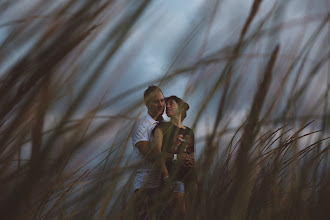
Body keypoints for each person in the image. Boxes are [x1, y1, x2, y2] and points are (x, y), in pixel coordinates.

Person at [152, 95, 197, 219]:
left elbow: (192, 156)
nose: (167, 106)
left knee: (190, 214)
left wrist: (197, 180)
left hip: (188, 177)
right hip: (172, 176)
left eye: (171, 103)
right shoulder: (161, 128)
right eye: (166, 104)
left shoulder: (189, 131)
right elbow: (156, 153)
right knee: (181, 214)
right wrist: (166, 175)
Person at [130, 85, 165, 219]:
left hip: (163, 185)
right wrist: (174, 157)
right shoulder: (141, 125)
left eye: (162, 100)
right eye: (156, 101)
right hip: (145, 186)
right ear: (147, 103)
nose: (160, 104)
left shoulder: (166, 123)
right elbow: (150, 155)